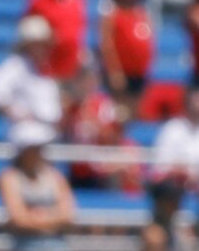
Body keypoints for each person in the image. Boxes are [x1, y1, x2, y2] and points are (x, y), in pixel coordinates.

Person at [61, 59, 142, 194]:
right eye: (82, 80)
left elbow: (112, 135)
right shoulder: (71, 107)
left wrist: (94, 121)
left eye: (89, 79)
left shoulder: (103, 104)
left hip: (98, 167)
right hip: (76, 166)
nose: (85, 84)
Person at [0, 17, 65, 146]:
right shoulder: (17, 65)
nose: (43, 49)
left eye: (44, 45)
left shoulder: (44, 69)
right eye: (39, 44)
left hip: (49, 136)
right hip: (28, 137)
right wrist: (13, 111)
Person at [0, 129, 78, 251]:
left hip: (58, 250)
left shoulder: (55, 176)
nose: (38, 152)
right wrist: (53, 217)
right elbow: (18, 219)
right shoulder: (9, 177)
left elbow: (68, 216)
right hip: (24, 250)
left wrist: (35, 216)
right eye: (33, 148)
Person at [22, 0, 89, 81]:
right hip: (47, 67)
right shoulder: (38, 0)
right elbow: (27, 31)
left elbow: (79, 29)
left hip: (72, 66)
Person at [100, 0, 157, 111]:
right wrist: (114, 72)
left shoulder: (142, 13)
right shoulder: (113, 12)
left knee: (134, 112)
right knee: (119, 111)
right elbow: (106, 45)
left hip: (139, 75)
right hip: (121, 75)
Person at [139, 174, 195, 251]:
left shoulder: (179, 224)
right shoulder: (153, 233)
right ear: (161, 203)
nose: (177, 206)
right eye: (173, 202)